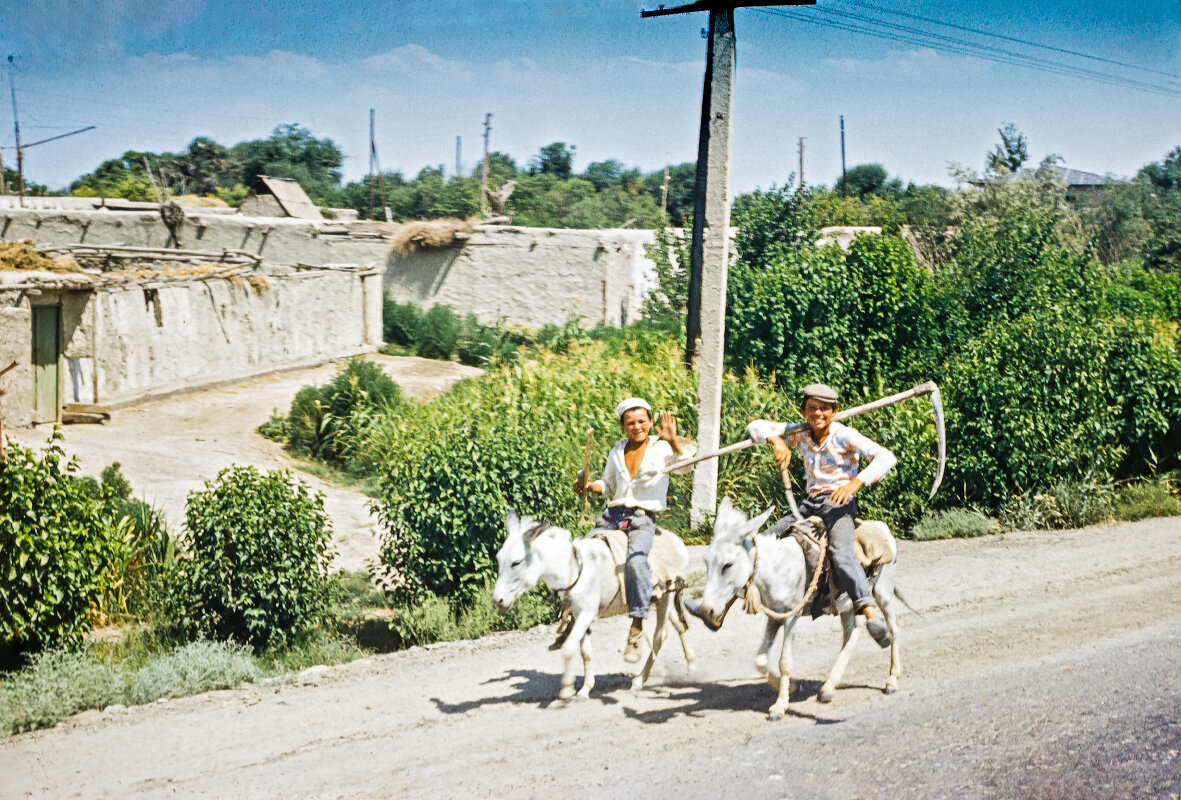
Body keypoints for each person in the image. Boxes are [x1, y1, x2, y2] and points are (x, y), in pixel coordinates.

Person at [747, 383, 898, 648]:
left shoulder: (845, 436)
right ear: (804, 411)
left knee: (841, 553)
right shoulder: (801, 433)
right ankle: (724, 604)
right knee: (764, 540)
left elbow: (886, 457)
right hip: (808, 505)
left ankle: (870, 611)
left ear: (834, 411)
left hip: (839, 505)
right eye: (812, 408)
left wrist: (855, 484)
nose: (818, 414)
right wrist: (776, 441)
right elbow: (755, 426)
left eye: (824, 409)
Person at [573, 398, 695, 663]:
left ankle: (636, 628)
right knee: (580, 554)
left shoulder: (662, 448)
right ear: (622, 426)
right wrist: (586, 486)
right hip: (612, 515)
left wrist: (673, 440)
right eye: (630, 423)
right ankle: (570, 613)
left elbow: (686, 466)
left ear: (650, 422)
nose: (637, 427)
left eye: (642, 421)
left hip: (641, 517)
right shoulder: (617, 451)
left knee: (637, 561)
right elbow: (607, 485)